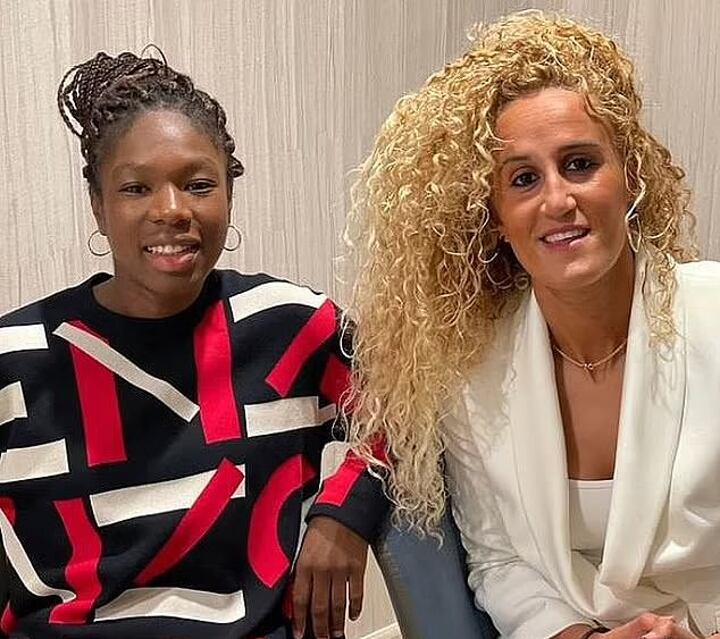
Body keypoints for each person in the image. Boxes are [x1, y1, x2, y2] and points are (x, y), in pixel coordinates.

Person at [344, 10, 720, 639]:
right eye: (523, 179)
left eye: (580, 164)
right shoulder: (472, 369)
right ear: (494, 214)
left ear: (629, 175)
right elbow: (500, 561)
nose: (557, 200)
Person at [0, 49, 386, 639]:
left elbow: (407, 410)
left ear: (229, 194)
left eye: (198, 184)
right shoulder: (18, 358)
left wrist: (344, 516)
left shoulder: (288, 327)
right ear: (99, 207)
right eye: (136, 188)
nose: (172, 210)